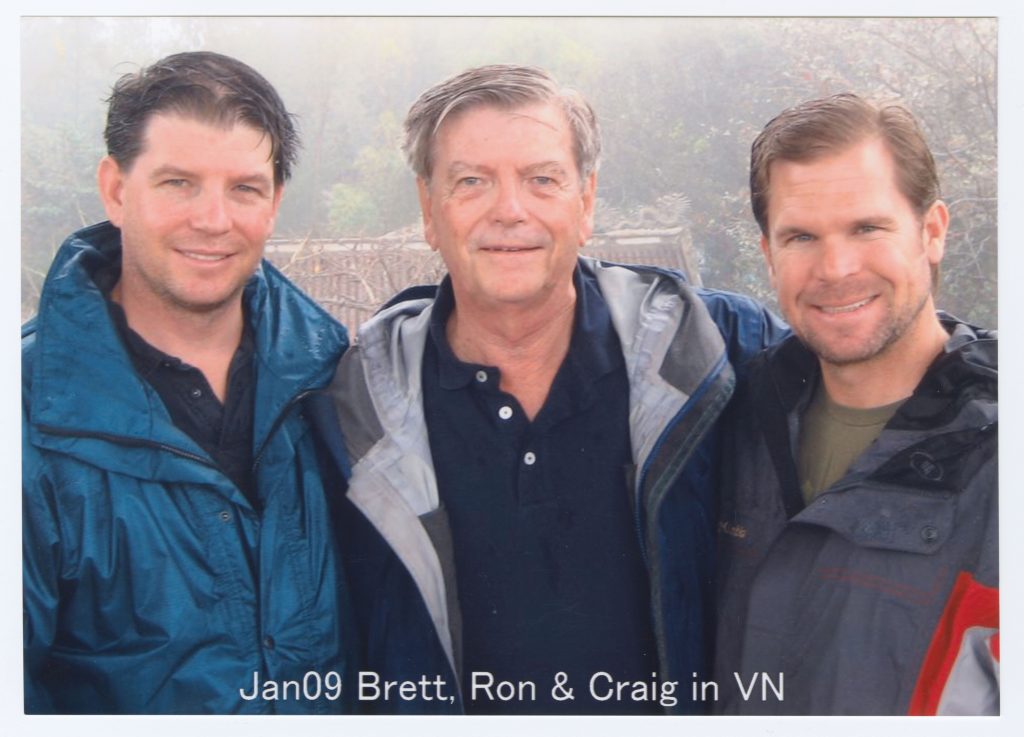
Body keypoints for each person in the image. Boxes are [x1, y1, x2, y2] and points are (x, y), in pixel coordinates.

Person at [324, 64, 785, 715]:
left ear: (586, 201)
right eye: (471, 181)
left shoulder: (714, 352)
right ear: (429, 210)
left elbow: (885, 386)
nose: (509, 210)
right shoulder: (353, 409)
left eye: (542, 179)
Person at [22, 51, 355, 714]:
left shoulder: (336, 380)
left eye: (244, 189)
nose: (213, 219)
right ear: (116, 190)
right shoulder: (30, 413)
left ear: (274, 204)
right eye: (179, 183)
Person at [713, 94, 998, 715]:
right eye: (801, 237)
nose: (836, 268)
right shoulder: (729, 423)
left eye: (867, 228)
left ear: (932, 232)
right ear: (768, 254)